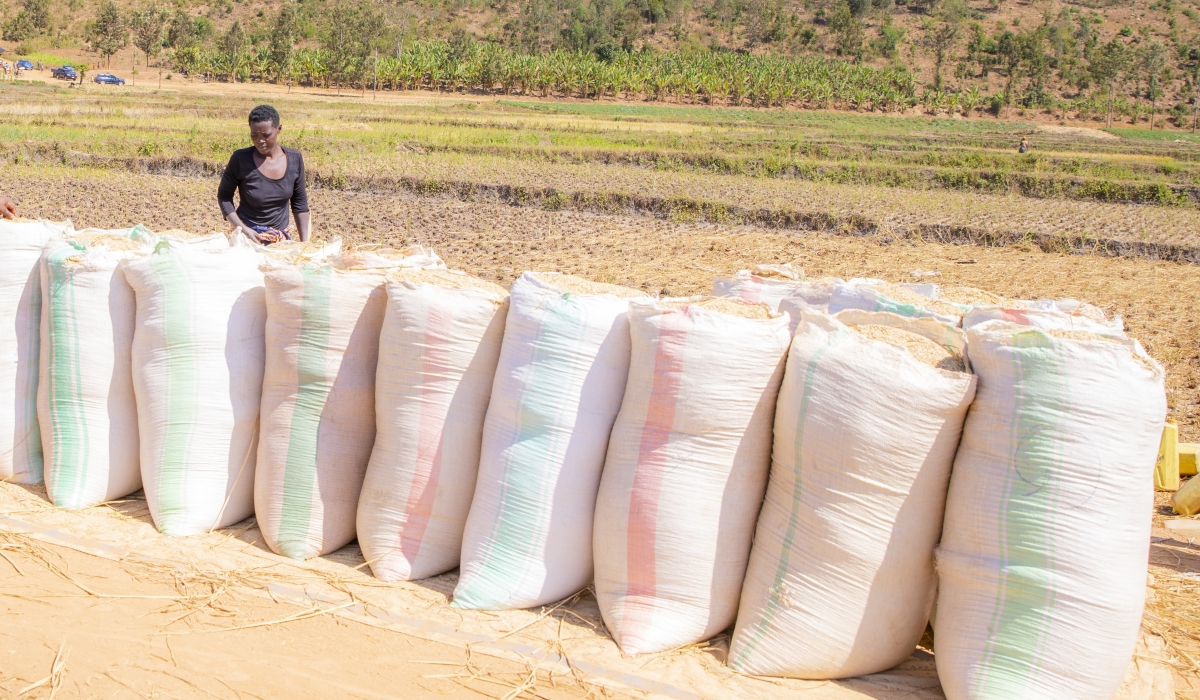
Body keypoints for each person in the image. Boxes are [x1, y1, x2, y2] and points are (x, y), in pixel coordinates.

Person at [217, 105, 310, 244]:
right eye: (254, 135)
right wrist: (243, 229)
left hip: (279, 240)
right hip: (247, 238)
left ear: (278, 129)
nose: (260, 141)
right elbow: (224, 197)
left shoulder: (294, 159)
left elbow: (300, 204)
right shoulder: (241, 159)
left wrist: (304, 244)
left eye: (266, 135)